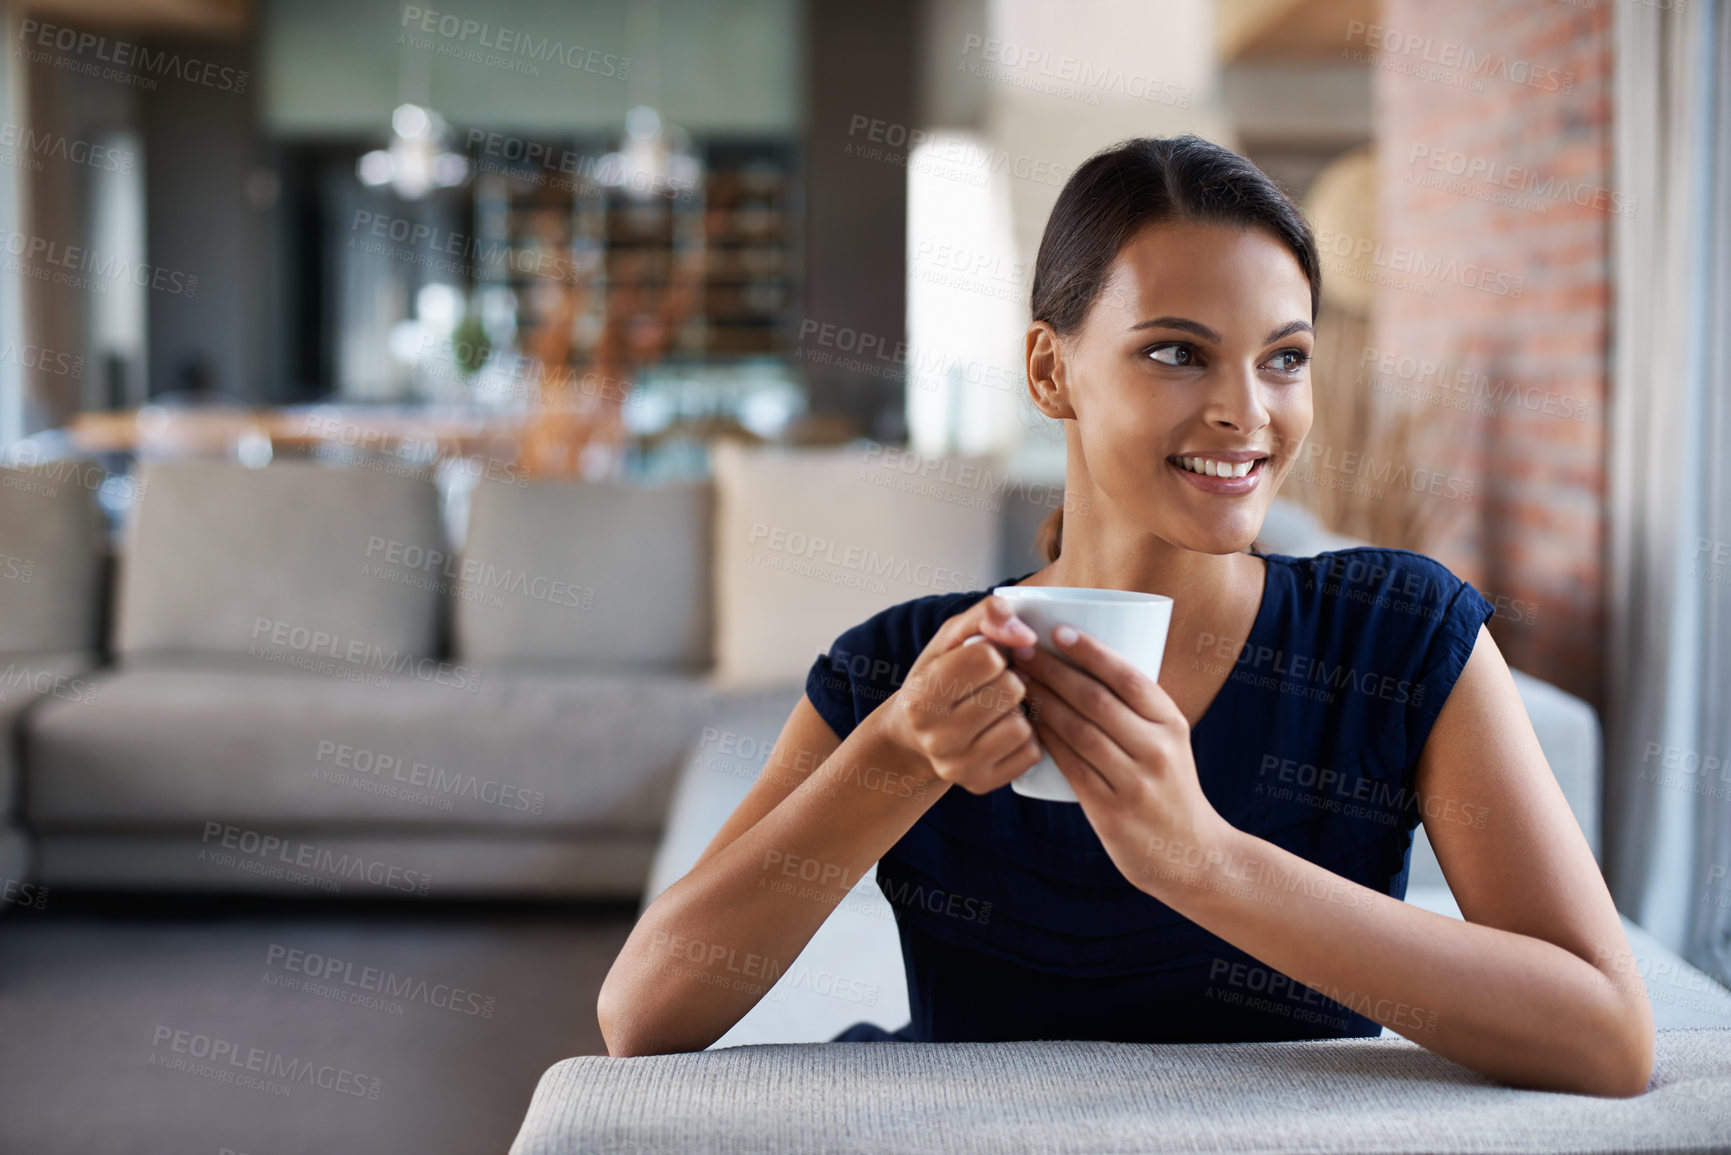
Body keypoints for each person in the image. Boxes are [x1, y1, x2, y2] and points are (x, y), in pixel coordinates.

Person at [598, 135, 1655, 1097]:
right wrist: (900, 755)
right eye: (1177, 352)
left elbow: (1606, 1036)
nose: (1248, 410)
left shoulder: (1398, 636)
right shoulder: (904, 669)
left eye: (1285, 357)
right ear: (1051, 372)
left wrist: (1202, 861)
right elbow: (642, 1013)